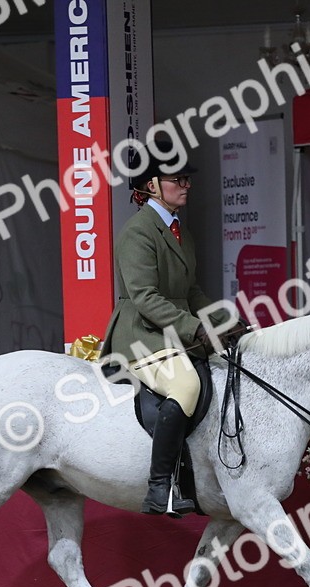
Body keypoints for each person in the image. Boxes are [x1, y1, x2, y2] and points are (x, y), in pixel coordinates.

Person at [100, 138, 244, 516]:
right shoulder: (138, 232)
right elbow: (145, 297)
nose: (186, 185)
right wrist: (195, 328)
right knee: (186, 384)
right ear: (151, 185)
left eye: (187, 179)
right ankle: (159, 486)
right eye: (177, 179)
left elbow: (190, 290)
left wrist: (224, 322)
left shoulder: (181, 230)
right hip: (142, 333)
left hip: (174, 327)